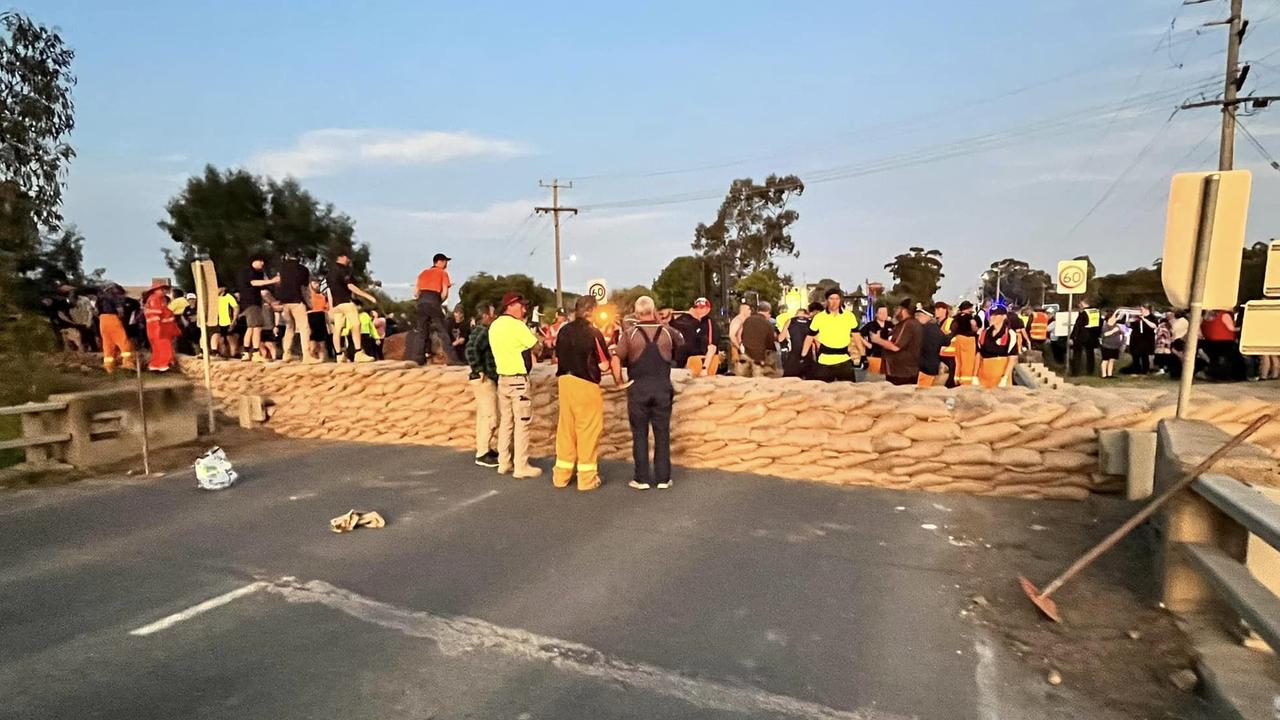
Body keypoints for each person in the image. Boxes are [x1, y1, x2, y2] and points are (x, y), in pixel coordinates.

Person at [552, 295, 624, 492]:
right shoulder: (593, 333)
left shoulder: (563, 330)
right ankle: (587, 479)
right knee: (587, 430)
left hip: (564, 383)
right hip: (585, 384)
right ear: (592, 311)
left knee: (566, 430)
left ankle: (561, 476)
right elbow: (603, 364)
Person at [616, 296, 683, 490]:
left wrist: (620, 382)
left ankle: (641, 478)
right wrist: (662, 322)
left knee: (640, 433)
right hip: (662, 387)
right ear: (653, 311)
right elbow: (681, 343)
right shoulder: (668, 332)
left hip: (638, 388)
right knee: (662, 433)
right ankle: (663, 478)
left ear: (637, 314)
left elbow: (616, 359)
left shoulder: (629, 334)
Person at [488, 291, 542, 478]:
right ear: (511, 305)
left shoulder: (494, 326)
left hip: (502, 378)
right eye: (521, 306)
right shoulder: (517, 326)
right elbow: (536, 346)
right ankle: (521, 465)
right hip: (518, 380)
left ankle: (504, 462)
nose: (524, 309)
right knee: (522, 423)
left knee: (506, 422)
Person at [465, 304, 500, 468]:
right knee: (490, 415)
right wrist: (478, 369)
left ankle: (484, 448)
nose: (494, 316)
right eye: (492, 313)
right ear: (485, 316)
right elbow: (470, 349)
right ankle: (483, 453)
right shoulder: (483, 331)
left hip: (485, 377)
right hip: (483, 379)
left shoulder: (482, 330)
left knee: (483, 416)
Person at [328, 252, 378, 363]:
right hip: (346, 301)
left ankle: (339, 354)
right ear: (340, 257)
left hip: (336, 304)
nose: (348, 259)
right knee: (356, 324)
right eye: (346, 257)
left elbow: (330, 291)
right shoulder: (343, 270)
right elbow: (350, 286)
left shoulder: (330, 272)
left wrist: (331, 306)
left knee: (338, 329)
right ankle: (358, 352)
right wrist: (368, 296)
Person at [803, 287, 860, 383]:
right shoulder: (819, 318)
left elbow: (856, 336)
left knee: (848, 392)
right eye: (831, 299)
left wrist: (862, 354)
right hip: (825, 360)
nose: (834, 301)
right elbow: (810, 336)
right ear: (827, 300)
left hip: (844, 359)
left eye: (837, 299)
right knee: (822, 391)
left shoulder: (849, 316)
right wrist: (803, 355)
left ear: (840, 300)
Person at [235, 255, 280, 363]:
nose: (262, 264)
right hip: (251, 303)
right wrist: (272, 281)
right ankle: (255, 352)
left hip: (253, 302)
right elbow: (253, 283)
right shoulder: (248, 271)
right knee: (257, 327)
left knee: (251, 328)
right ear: (254, 261)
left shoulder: (259, 273)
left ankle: (246, 352)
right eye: (260, 261)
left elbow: (262, 288)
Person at [274, 249, 316, 362]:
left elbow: (277, 283)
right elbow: (304, 288)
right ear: (299, 257)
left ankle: (286, 354)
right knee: (304, 328)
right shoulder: (303, 270)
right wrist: (309, 303)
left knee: (289, 328)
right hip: (297, 301)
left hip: (284, 302)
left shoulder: (281, 268)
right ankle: (307, 356)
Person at [411, 253, 452, 365]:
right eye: (445, 261)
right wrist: (438, 302)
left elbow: (415, 293)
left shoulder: (423, 273)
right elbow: (444, 293)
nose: (446, 264)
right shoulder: (443, 273)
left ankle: (418, 359)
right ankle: (452, 359)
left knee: (421, 331)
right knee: (442, 330)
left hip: (421, 301)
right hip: (433, 300)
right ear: (440, 261)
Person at [870, 299, 922, 386]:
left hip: (903, 374)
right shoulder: (903, 324)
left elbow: (895, 347)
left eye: (898, 309)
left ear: (904, 311)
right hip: (899, 372)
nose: (896, 311)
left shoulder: (909, 324)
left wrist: (877, 340)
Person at [670, 297, 719, 376]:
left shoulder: (709, 323)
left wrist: (704, 368)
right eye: (697, 308)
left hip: (696, 364)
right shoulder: (679, 321)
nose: (700, 311)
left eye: (703, 308)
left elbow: (712, 347)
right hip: (679, 364)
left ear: (708, 310)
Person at [734, 301, 781, 378]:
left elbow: (741, 335)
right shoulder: (768, 324)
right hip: (759, 357)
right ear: (768, 311)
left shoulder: (748, 320)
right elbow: (770, 343)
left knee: (743, 379)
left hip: (746, 353)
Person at [142, 281, 180, 372]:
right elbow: (155, 316)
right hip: (158, 329)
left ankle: (155, 365)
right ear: (155, 290)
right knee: (164, 347)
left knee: (157, 349)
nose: (164, 291)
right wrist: (158, 329)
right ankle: (163, 366)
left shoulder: (158, 299)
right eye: (162, 289)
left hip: (159, 329)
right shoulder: (155, 299)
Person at [96, 283, 134, 373]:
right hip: (113, 319)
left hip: (102, 321)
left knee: (107, 344)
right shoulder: (114, 297)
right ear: (114, 289)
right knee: (123, 342)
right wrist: (121, 318)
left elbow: (96, 312)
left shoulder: (99, 299)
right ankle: (128, 363)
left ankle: (109, 367)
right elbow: (120, 311)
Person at [975, 307, 1017, 387]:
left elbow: (1012, 358)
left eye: (996, 315)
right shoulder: (984, 333)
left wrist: (1005, 377)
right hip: (984, 376)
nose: (992, 317)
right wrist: (975, 376)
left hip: (1000, 377)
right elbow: (979, 355)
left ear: (1004, 317)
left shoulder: (1010, 334)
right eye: (991, 315)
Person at [782, 303, 817, 378]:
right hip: (808, 356)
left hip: (793, 357)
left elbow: (780, 338)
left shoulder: (790, 321)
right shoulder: (811, 323)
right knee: (810, 382)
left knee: (789, 382)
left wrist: (786, 327)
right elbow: (817, 341)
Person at [916, 304, 947, 387]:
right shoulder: (936, 329)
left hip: (924, 370)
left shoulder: (925, 330)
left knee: (921, 394)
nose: (917, 317)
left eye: (920, 315)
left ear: (928, 316)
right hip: (933, 368)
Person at [1069, 300, 1100, 376]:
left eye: (1080, 304)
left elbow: (1078, 326)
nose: (1079, 305)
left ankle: (1075, 372)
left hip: (1081, 336)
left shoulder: (1083, 313)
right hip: (1093, 336)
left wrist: (1072, 337)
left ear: (1084, 304)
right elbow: (1099, 325)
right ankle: (1090, 372)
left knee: (1077, 354)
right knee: (1090, 355)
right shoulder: (1096, 312)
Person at [859, 306, 892, 375]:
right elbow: (858, 334)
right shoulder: (870, 325)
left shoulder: (890, 325)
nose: (884, 315)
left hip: (888, 356)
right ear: (876, 314)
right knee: (875, 376)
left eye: (885, 313)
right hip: (874, 354)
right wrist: (867, 344)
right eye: (881, 313)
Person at [1126, 305, 1156, 375]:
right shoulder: (1136, 317)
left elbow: (1153, 326)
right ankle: (1136, 370)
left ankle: (1145, 371)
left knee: (1144, 356)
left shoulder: (1152, 317)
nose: (1140, 311)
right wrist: (1129, 321)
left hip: (1146, 340)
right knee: (1135, 355)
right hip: (1135, 339)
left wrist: (1144, 319)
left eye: (1142, 309)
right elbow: (1128, 325)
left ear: (1147, 309)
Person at [306, 278, 329, 361]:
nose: (317, 285)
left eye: (318, 284)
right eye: (315, 283)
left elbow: (327, 308)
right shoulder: (307, 296)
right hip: (310, 315)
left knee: (322, 340)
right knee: (312, 340)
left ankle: (323, 358)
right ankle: (312, 356)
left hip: (320, 315)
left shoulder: (322, 296)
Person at [728, 301, 753, 374]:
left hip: (743, 349)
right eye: (749, 309)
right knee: (740, 371)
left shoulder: (744, 321)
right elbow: (731, 335)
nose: (750, 311)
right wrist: (739, 347)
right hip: (738, 350)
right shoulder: (737, 320)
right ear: (744, 310)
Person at [1100, 311, 1125, 379]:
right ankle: (1104, 375)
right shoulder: (1105, 326)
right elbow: (1105, 334)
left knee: (1112, 360)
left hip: (1115, 346)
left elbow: (1121, 333)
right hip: (1107, 346)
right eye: (1113, 318)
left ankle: (1110, 374)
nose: (1115, 319)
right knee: (1105, 360)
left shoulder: (1116, 326)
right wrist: (1113, 331)